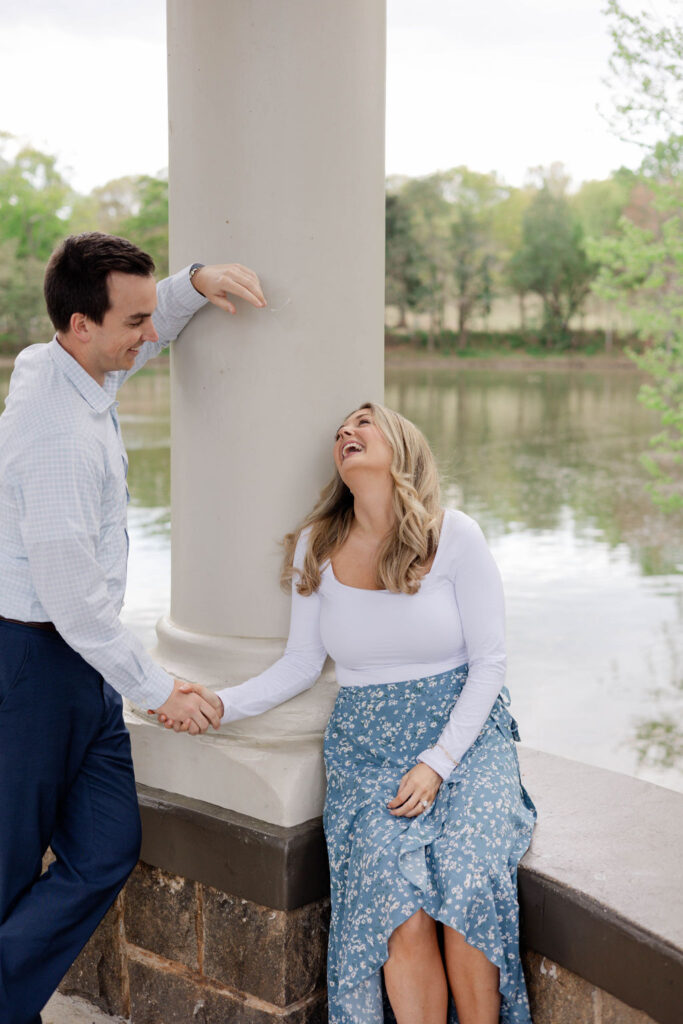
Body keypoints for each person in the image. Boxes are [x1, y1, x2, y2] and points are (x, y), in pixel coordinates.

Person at [161, 401, 538, 1024]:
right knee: (397, 902)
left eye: (365, 423)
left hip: (463, 740)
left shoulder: (455, 536)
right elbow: (301, 664)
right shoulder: (320, 544)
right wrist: (221, 705)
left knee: (470, 880)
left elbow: (490, 663)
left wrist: (438, 763)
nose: (347, 432)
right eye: (342, 429)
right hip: (366, 746)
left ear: (402, 448)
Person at [0, 232, 265, 1024]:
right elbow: (73, 598)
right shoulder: (55, 437)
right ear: (82, 324)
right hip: (31, 661)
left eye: (151, 316)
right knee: (10, 863)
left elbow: (142, 343)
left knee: (108, 846)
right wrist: (157, 692)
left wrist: (190, 285)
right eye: (135, 321)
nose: (148, 335)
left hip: (79, 662)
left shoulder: (60, 365)